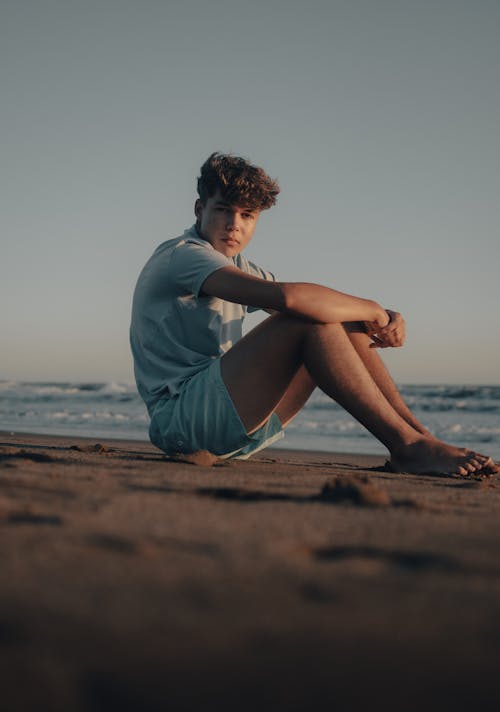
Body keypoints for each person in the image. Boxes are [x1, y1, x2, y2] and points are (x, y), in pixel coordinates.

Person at [130, 152, 498, 477]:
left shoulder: (239, 265)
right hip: (182, 423)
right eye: (223, 209)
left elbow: (320, 305)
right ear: (200, 210)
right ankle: (406, 445)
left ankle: (420, 439)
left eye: (247, 215)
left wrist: (382, 315)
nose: (234, 225)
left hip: (224, 423)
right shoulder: (184, 256)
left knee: (334, 317)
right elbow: (290, 299)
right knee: (304, 318)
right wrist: (372, 307)